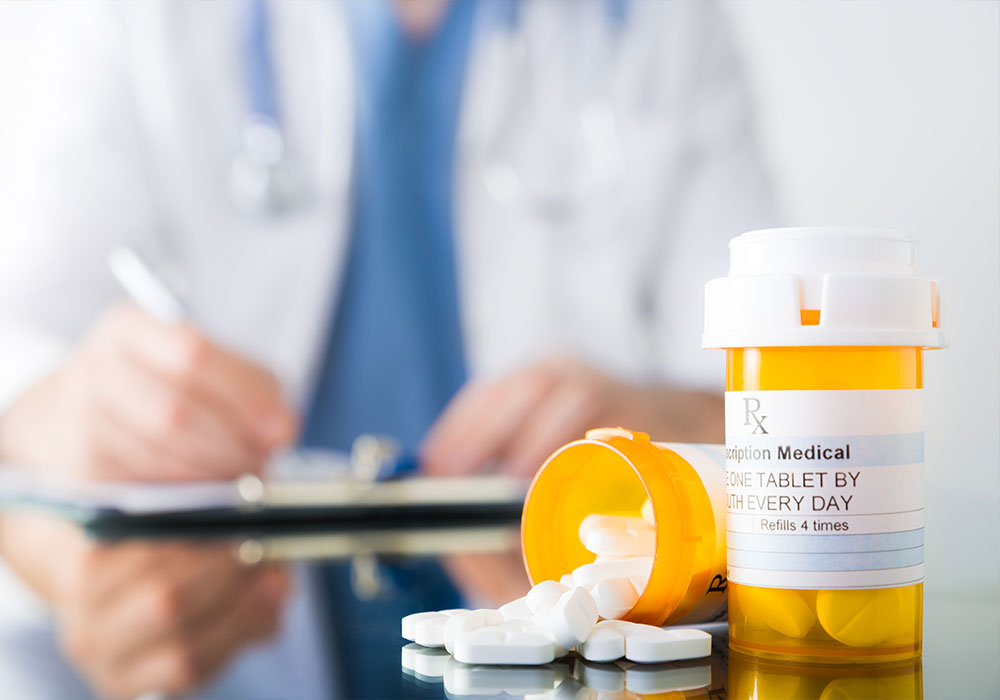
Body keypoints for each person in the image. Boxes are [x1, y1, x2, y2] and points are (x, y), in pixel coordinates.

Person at [0, 0, 776, 696]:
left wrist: (670, 425)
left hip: (567, 656)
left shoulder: (660, 23)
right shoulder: (125, 19)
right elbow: (20, 363)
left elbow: (776, 402)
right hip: (232, 664)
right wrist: (56, 455)